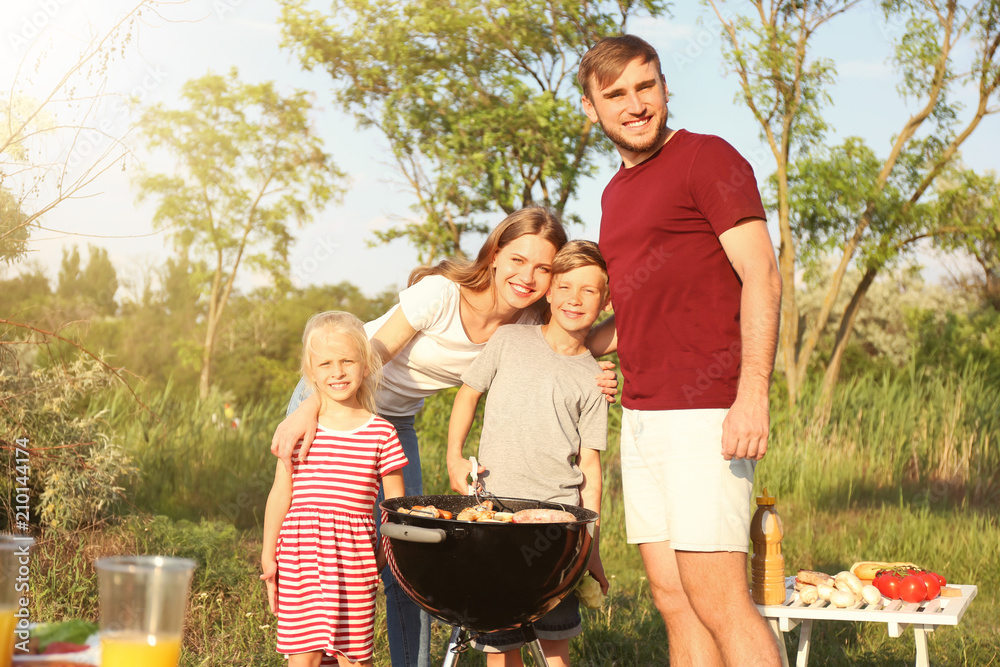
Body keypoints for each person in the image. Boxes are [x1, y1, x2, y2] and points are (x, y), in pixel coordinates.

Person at [271, 207, 618, 667]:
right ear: (494, 255)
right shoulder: (440, 295)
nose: (527, 276)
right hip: (335, 396)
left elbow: (578, 340)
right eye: (517, 260)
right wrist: (311, 406)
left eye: (542, 268)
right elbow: (369, 356)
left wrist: (598, 373)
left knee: (405, 549)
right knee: (317, 538)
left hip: (395, 423)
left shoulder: (526, 322)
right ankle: (310, 646)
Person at [577, 35, 784, 667]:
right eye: (615, 95)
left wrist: (752, 394)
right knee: (674, 599)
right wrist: (578, 345)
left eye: (646, 86)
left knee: (718, 599)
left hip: (706, 415)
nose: (634, 105)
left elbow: (762, 275)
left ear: (666, 87)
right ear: (592, 109)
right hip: (641, 419)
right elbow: (638, 310)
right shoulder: (614, 193)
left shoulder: (707, 159)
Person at [446, 240, 613, 667]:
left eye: (589, 291)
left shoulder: (593, 378)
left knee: (555, 645)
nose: (575, 299)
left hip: (556, 529)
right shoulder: (509, 340)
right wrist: (454, 455)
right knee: (501, 648)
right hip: (494, 514)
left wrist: (589, 546)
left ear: (605, 301)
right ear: (550, 292)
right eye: (566, 287)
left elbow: (590, 470)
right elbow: (467, 396)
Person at [261, 311, 408, 667]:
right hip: (300, 554)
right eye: (325, 363)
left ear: (366, 364)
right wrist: (268, 554)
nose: (337, 371)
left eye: (347, 361)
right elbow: (280, 494)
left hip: (355, 558)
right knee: (305, 655)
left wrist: (387, 552)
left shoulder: (381, 433)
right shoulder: (299, 430)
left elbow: (396, 505)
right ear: (311, 372)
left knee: (352, 655)